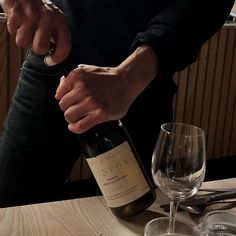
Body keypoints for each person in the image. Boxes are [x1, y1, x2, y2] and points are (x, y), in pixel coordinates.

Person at [0, 0, 234, 207]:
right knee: (9, 206)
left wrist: (130, 77)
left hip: (142, 81)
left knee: (137, 215)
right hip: (54, 60)